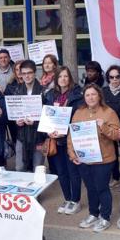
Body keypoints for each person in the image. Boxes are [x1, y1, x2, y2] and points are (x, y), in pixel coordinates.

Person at [68, 84, 120, 233]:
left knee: (101, 187)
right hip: (84, 159)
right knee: (91, 188)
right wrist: (72, 154)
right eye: (87, 95)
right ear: (84, 97)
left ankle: (105, 216)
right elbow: (71, 135)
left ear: (99, 96)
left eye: (93, 94)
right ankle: (93, 214)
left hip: (104, 159)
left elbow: (118, 135)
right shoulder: (79, 113)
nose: (90, 97)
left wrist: (103, 126)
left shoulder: (108, 112)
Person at [41, 67, 84, 215]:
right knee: (61, 172)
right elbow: (46, 115)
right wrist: (48, 130)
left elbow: (78, 118)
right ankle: (67, 199)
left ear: (70, 78)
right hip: (54, 139)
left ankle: (75, 200)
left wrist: (64, 129)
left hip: (69, 139)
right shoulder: (51, 95)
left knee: (73, 172)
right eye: (61, 77)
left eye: (66, 76)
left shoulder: (77, 95)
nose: (63, 79)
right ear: (56, 79)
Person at [14, 60, 44, 172]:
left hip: (38, 137)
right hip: (22, 136)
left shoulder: (44, 91)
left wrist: (35, 123)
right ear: (20, 74)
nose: (27, 76)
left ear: (35, 73)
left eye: (29, 73)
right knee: (19, 168)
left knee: (38, 169)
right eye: (24, 73)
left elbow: (48, 117)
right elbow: (14, 113)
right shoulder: (17, 90)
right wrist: (16, 121)